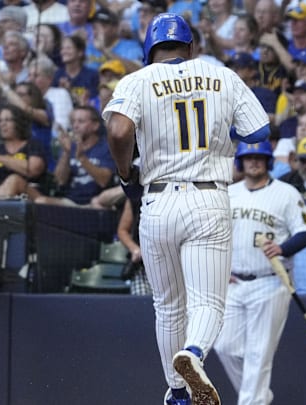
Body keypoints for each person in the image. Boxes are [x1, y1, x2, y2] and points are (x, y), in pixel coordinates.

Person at [103, 13, 270, 405]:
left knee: (168, 307)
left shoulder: (136, 80)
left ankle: (177, 392)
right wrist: (217, 130)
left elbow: (118, 130)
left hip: (156, 198)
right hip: (207, 195)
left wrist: (125, 170)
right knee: (208, 303)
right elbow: (258, 131)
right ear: (191, 47)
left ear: (149, 49)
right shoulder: (220, 75)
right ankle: (193, 354)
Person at [214, 141, 306, 405]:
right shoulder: (229, 193)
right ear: (241, 162)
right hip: (234, 281)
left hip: (269, 282)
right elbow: (213, 234)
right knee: (224, 346)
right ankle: (259, 398)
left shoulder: (286, 192)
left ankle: (253, 401)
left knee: (259, 355)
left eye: (260, 157)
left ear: (269, 161)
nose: (254, 162)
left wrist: (282, 247)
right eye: (249, 157)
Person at [34, 105, 116, 206]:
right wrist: (66, 153)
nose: (75, 126)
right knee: (40, 202)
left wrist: (82, 158)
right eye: (73, 122)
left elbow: (103, 181)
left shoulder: (105, 147)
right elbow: (60, 181)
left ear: (95, 125)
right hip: (70, 202)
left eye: (81, 121)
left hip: (96, 202)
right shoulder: (70, 147)